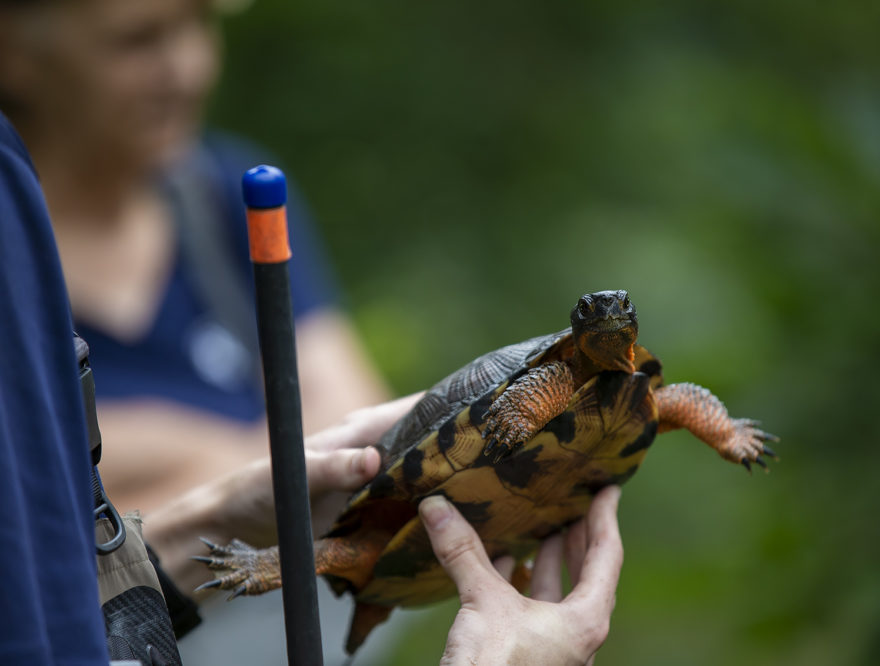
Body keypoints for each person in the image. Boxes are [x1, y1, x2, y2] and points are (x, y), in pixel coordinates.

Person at [0, 109, 624, 665]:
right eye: (133, 39)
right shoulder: (15, 198)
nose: (181, 63)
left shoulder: (207, 190)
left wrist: (206, 510)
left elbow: (49, 613)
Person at [0, 0, 390, 516]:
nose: (189, 70)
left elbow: (362, 434)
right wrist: (248, 461)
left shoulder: (232, 195)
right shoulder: (14, 257)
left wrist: (160, 456)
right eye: (136, 40)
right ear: (14, 53)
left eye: (200, 24)